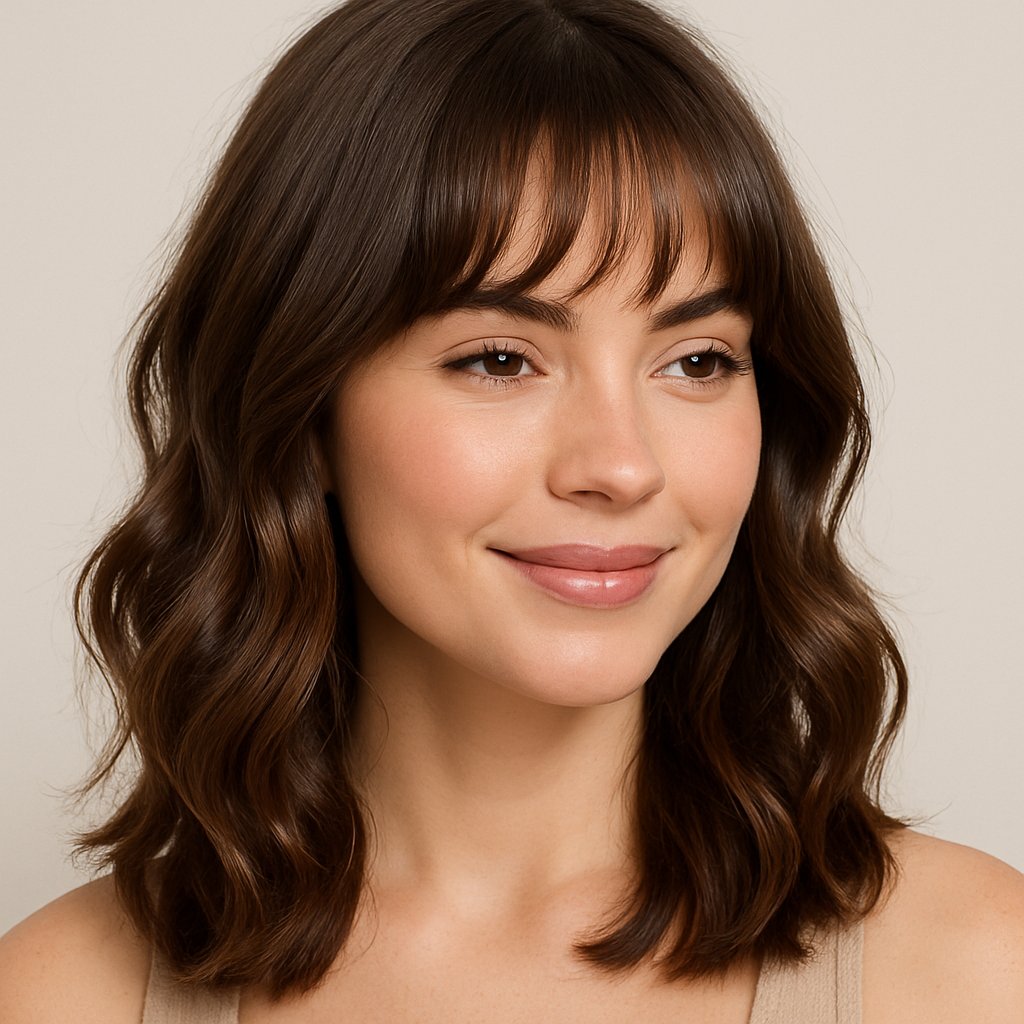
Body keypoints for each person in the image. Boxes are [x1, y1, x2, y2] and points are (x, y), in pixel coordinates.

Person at [1, 0, 1022, 1020]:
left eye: (697, 360)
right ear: (300, 414)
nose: (621, 466)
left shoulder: (974, 969)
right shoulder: (60, 996)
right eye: (499, 358)